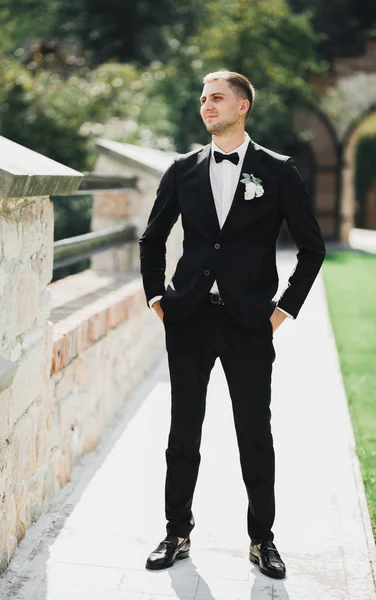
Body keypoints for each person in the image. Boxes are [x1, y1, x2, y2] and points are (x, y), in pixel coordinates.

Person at [139, 70, 326, 579]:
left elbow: (313, 248)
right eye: (203, 98)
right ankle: (177, 531)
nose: (207, 105)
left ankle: (262, 539)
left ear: (243, 106)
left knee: (254, 433)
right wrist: (157, 297)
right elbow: (152, 239)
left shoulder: (279, 170)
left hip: (249, 323)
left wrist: (282, 310)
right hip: (189, 319)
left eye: (217, 98)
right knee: (183, 430)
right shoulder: (181, 169)